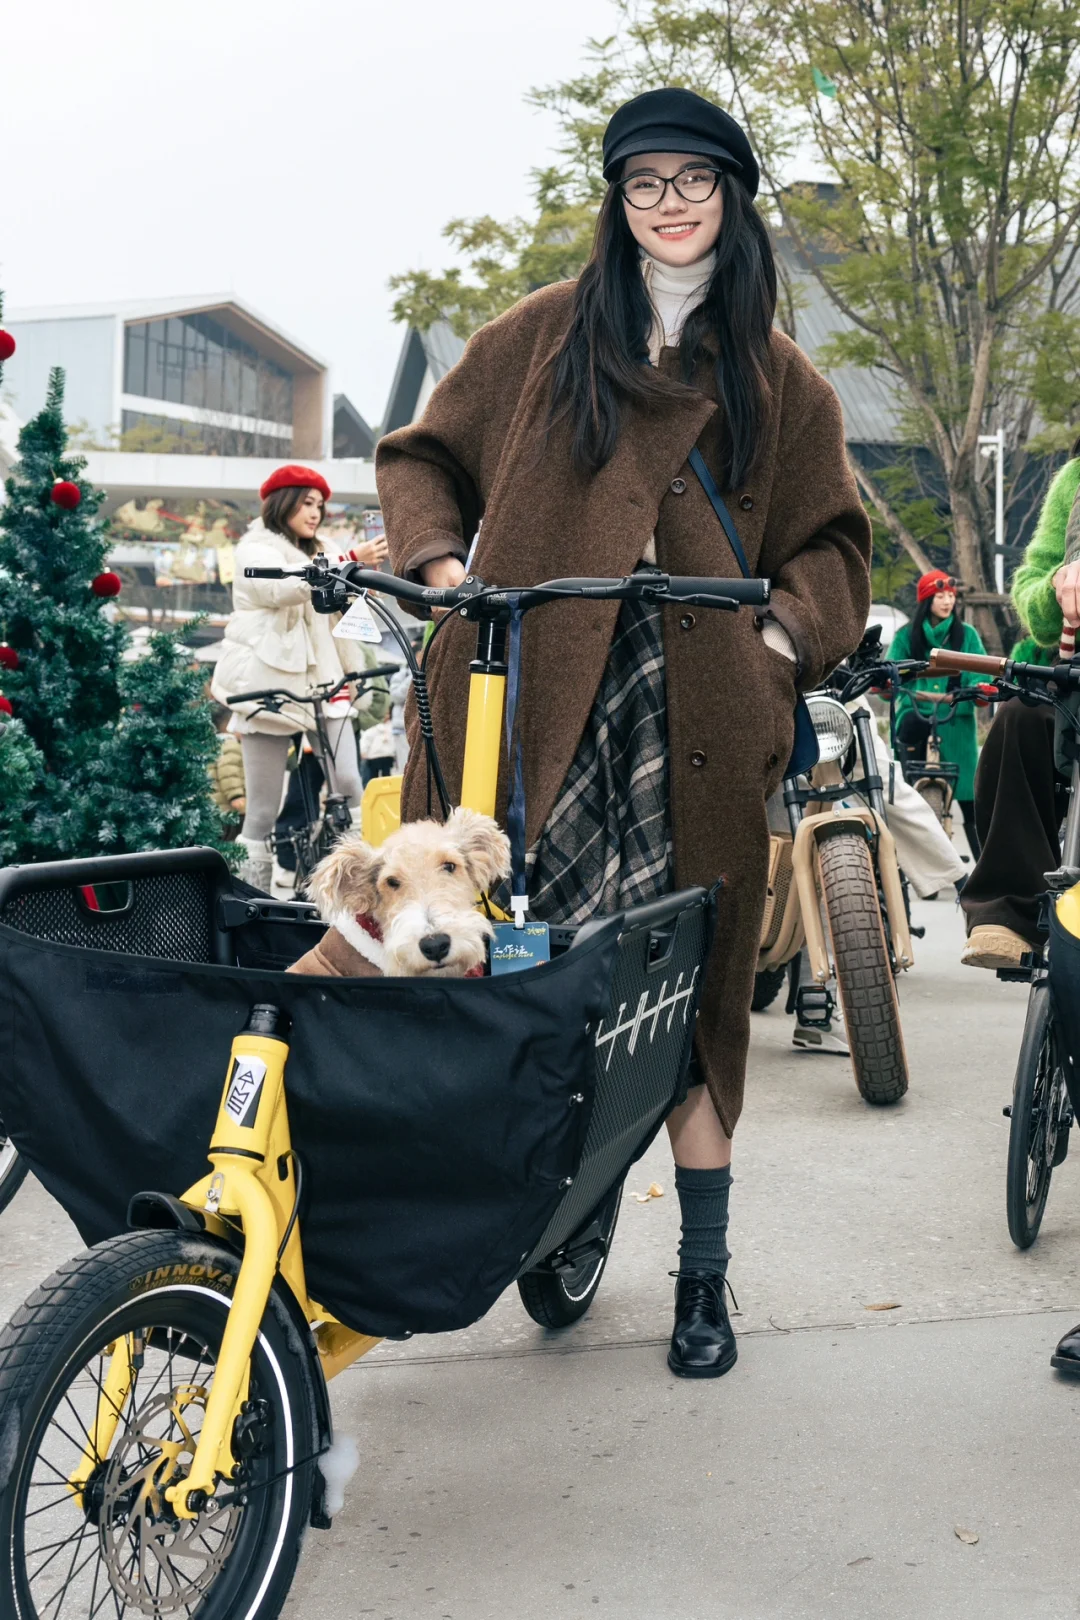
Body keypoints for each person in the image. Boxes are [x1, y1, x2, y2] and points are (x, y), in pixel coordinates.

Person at [377, 87, 871, 1378]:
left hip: (698, 714)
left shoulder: (780, 374)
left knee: (691, 996)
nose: (668, 204)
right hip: (535, 696)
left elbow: (834, 547)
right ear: (618, 200)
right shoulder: (542, 337)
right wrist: (441, 574)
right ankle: (539, 1201)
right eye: (643, 183)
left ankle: (702, 1278)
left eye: (691, 180)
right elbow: (419, 457)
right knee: (529, 971)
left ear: (732, 193)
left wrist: (775, 648)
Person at [211, 464, 390, 891]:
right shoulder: (255, 547)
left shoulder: (325, 547)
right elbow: (281, 588)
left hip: (326, 682)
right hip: (268, 686)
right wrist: (349, 562)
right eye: (307, 503)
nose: (316, 513)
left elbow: (345, 595)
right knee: (262, 809)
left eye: (320, 505)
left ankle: (357, 891)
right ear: (282, 503)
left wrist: (363, 580)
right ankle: (250, 896)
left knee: (350, 786)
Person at [960, 439, 1080, 969]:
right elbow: (1029, 590)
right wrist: (1056, 585)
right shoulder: (1074, 482)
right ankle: (1008, 914)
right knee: (1017, 719)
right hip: (1076, 679)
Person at [886, 570, 988, 859]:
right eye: (940, 596)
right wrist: (888, 683)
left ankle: (985, 866)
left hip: (956, 718)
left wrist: (977, 691)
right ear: (926, 600)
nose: (947, 601)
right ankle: (903, 855)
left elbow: (980, 673)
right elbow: (891, 673)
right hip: (915, 713)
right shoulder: (906, 636)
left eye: (951, 596)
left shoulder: (967, 635)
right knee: (905, 788)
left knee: (970, 797)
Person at [207, 701, 245, 835]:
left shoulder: (214, 745)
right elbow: (228, 771)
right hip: (229, 807)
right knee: (233, 836)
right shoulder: (229, 744)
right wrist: (236, 795)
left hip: (218, 807)